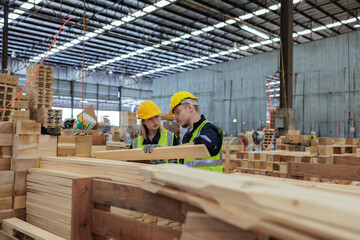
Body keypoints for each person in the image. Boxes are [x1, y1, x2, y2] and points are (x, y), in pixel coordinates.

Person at [169, 91, 223, 172]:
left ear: (190, 108)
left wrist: (168, 151)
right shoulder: (187, 136)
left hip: (210, 183)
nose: (175, 117)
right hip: (191, 183)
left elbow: (203, 146)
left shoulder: (210, 129)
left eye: (177, 112)